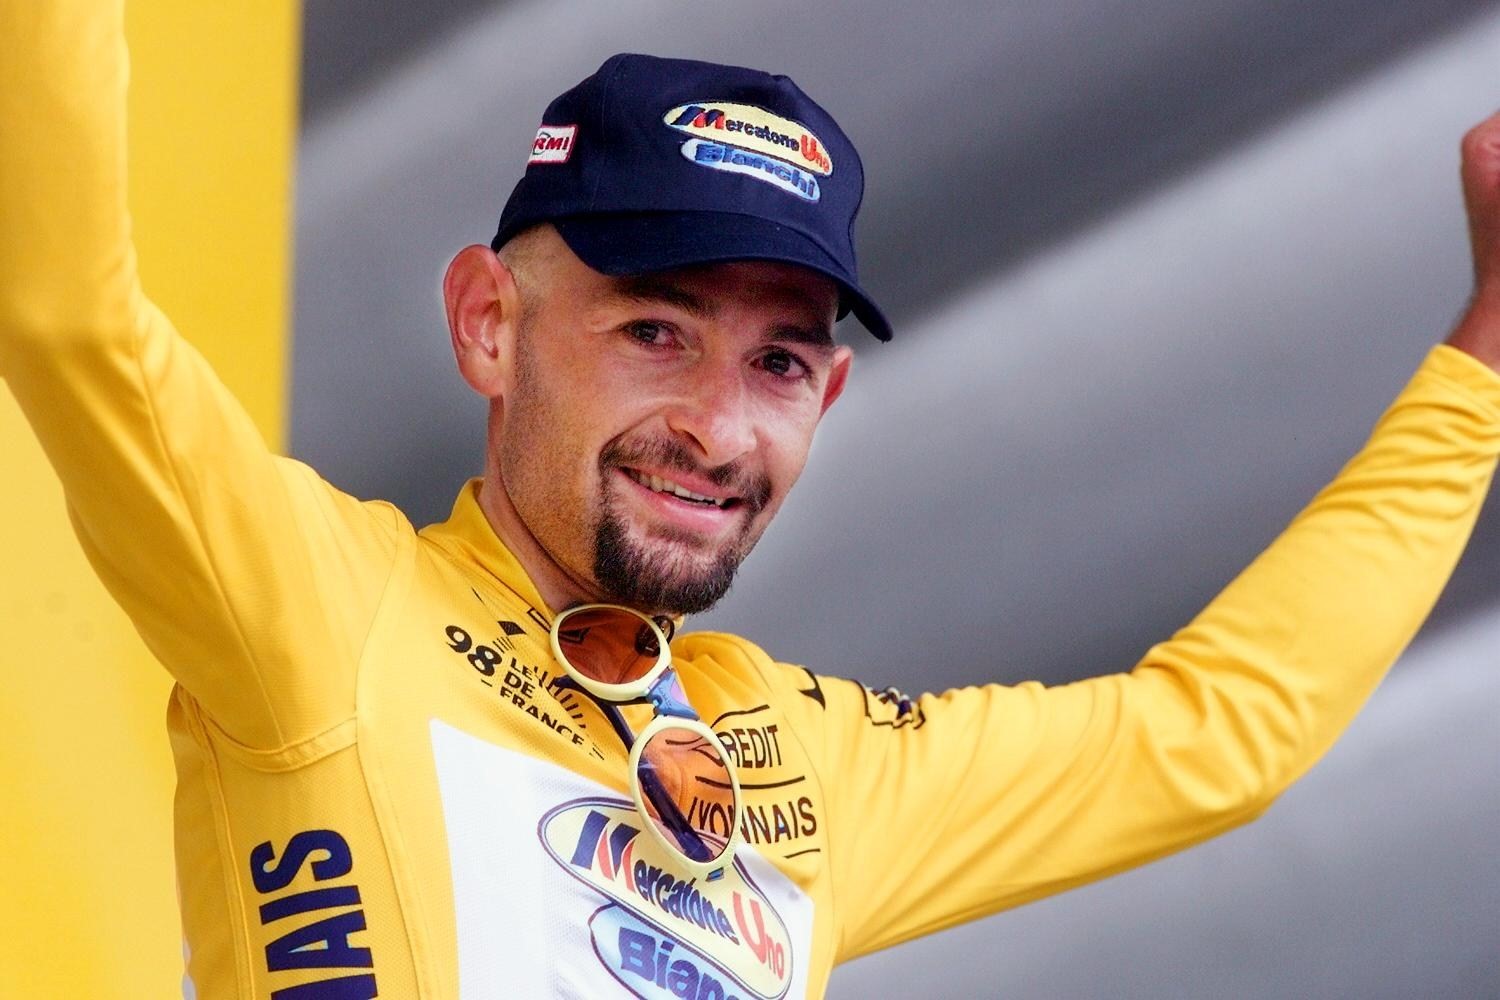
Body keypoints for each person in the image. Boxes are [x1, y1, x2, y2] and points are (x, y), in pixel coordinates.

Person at [5, 3, 1500, 998]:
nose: (719, 426)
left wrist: (1489, 341)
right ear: (488, 325)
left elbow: (1222, 734)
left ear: (829, 400)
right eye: (654, 331)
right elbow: (66, 311)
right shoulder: (319, 606)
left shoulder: (805, 763)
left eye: (780, 361)